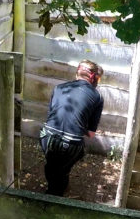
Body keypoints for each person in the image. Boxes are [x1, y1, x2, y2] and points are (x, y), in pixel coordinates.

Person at [40, 60, 104, 196]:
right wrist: (79, 127)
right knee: (63, 171)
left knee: (52, 165)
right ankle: (54, 197)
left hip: (47, 137)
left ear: (77, 73)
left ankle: (51, 189)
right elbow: (91, 134)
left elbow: (51, 116)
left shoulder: (59, 87)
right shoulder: (97, 96)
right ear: (94, 78)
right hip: (71, 145)